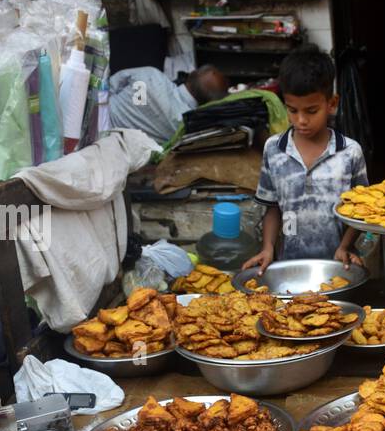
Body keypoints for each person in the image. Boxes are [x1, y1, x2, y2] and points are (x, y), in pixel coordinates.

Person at [243, 46, 368, 272]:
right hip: (289, 265)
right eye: (292, 110)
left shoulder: (349, 152)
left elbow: (362, 210)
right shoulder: (274, 149)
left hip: (338, 265)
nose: (301, 120)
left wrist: (345, 246)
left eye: (311, 111)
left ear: (332, 104)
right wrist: (268, 248)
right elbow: (272, 207)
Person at [106, 64, 229, 144]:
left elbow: (109, 86)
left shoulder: (151, 76)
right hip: (109, 150)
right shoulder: (183, 128)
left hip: (94, 121)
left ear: (190, 75)